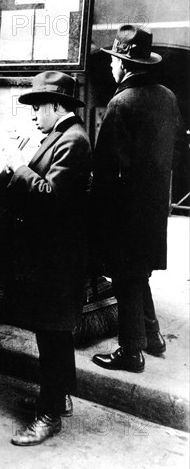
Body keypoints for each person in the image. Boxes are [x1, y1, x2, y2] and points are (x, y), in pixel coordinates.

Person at [0, 71, 92, 446]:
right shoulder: (62, 136)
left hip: (57, 259)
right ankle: (57, 398)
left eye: (38, 106)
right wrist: (22, 163)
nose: (34, 114)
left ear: (57, 105)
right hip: (51, 257)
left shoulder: (74, 141)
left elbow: (51, 197)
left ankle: (49, 413)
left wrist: (19, 164)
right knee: (51, 332)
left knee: (53, 334)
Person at [90, 25, 180, 373]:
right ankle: (153, 336)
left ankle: (130, 352)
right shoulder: (167, 97)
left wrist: (97, 215)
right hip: (154, 206)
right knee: (139, 272)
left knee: (126, 276)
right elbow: (179, 153)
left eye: (114, 61)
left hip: (124, 210)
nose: (112, 67)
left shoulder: (121, 102)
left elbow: (106, 168)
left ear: (124, 65)